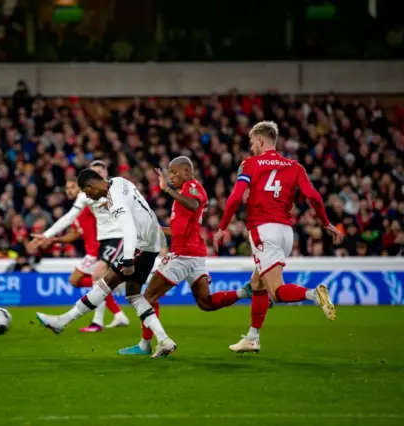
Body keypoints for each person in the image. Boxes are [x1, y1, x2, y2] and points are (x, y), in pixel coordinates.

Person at [214, 121, 342, 353]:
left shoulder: (250, 164)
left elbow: (235, 198)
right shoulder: (295, 167)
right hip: (285, 233)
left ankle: (313, 294)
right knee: (257, 283)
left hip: (263, 230)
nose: (252, 147)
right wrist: (326, 223)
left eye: (253, 142)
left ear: (261, 141)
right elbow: (313, 196)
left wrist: (223, 227)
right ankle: (252, 338)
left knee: (275, 291)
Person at [118, 156, 254, 355]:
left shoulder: (191, 186)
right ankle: (245, 292)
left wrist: (167, 190)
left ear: (187, 172)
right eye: (170, 173)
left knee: (147, 297)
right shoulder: (185, 193)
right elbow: (177, 229)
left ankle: (148, 344)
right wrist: (153, 229)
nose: (171, 176)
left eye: (175, 172)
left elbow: (192, 205)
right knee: (205, 303)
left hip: (183, 254)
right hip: (195, 254)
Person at [36, 169, 177, 358]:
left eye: (87, 192)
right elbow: (144, 209)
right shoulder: (120, 181)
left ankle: (62, 321)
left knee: (104, 283)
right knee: (134, 295)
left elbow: (128, 229)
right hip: (152, 244)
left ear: (90, 186)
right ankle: (163, 340)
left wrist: (127, 260)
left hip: (139, 244)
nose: (88, 196)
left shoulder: (114, 201)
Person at [29, 161, 129, 331]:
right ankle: (114, 311)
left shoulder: (116, 188)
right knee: (102, 282)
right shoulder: (85, 197)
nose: (97, 175)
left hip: (118, 238)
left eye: (100, 171)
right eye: (93, 172)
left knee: (97, 276)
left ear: (105, 173)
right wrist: (47, 235)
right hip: (104, 241)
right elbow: (69, 218)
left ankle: (95, 321)